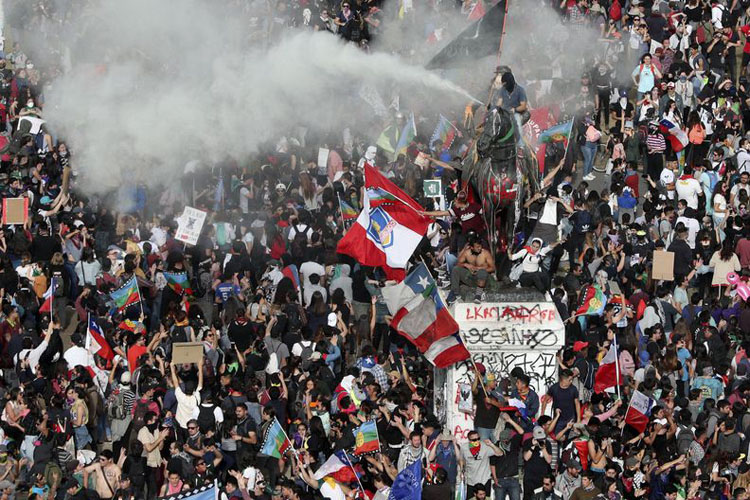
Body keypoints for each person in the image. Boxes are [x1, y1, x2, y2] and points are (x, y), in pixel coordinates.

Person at [447, 235, 495, 304]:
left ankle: (478, 295)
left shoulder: (485, 253)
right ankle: (454, 292)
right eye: (477, 247)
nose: (480, 248)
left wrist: (479, 269)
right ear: (472, 247)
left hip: (483, 280)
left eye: (480, 246)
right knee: (456, 269)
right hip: (471, 277)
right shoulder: (467, 253)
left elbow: (493, 268)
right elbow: (457, 264)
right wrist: (466, 265)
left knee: (482, 272)